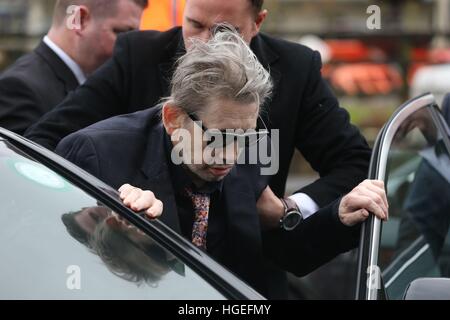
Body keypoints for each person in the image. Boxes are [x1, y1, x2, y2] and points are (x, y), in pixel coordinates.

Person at [56, 28, 388, 299]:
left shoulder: (243, 150)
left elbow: (280, 252)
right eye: (218, 138)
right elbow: (61, 268)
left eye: (245, 137)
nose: (230, 156)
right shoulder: (95, 154)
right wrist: (119, 232)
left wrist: (339, 216)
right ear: (173, 118)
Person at [25, 0, 372, 221]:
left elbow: (355, 162)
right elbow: (42, 144)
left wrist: (288, 210)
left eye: (225, 32)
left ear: (258, 22)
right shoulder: (140, 56)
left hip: (248, 270)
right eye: (194, 25)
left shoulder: (296, 69)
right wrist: (111, 206)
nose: (204, 44)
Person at [0, 0, 147, 135]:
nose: (129, 46)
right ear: (80, 20)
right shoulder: (18, 88)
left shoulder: (109, 85)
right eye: (122, 32)